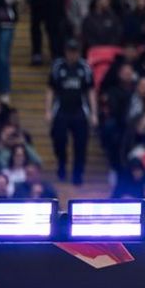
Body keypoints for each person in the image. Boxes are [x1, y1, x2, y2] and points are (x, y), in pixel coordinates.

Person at [45, 39, 97, 185]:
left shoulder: (85, 67)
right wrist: (48, 111)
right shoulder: (57, 67)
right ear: (66, 51)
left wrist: (94, 113)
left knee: (81, 144)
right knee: (59, 140)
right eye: (70, 51)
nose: (72, 54)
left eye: (75, 51)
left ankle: (77, 173)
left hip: (79, 110)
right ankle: (62, 164)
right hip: (61, 110)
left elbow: (90, 91)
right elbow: (50, 89)